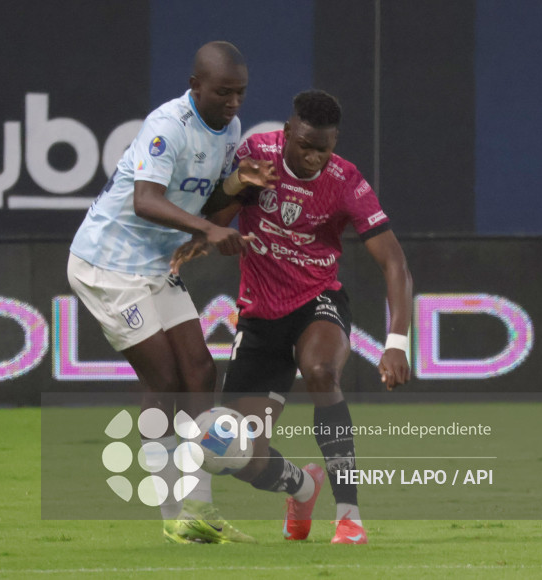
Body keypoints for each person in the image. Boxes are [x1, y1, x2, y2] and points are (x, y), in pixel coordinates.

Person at [171, 89, 413, 544]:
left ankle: (348, 515)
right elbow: (215, 217)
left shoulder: (346, 180)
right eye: (304, 146)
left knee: (321, 373)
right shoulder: (255, 156)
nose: (313, 158)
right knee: (234, 453)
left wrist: (396, 342)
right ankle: (302, 488)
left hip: (316, 302)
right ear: (286, 133)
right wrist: (234, 191)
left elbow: (394, 262)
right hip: (260, 319)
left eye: (324, 148)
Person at [67, 41, 276, 544]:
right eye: (223, 92)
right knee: (163, 378)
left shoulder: (230, 129)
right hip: (108, 265)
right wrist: (207, 231)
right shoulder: (168, 126)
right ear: (195, 86)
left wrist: (238, 185)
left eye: (241, 93)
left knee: (200, 371)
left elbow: (209, 201)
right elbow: (145, 200)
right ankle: (171, 515)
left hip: (156, 263)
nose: (233, 102)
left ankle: (200, 507)